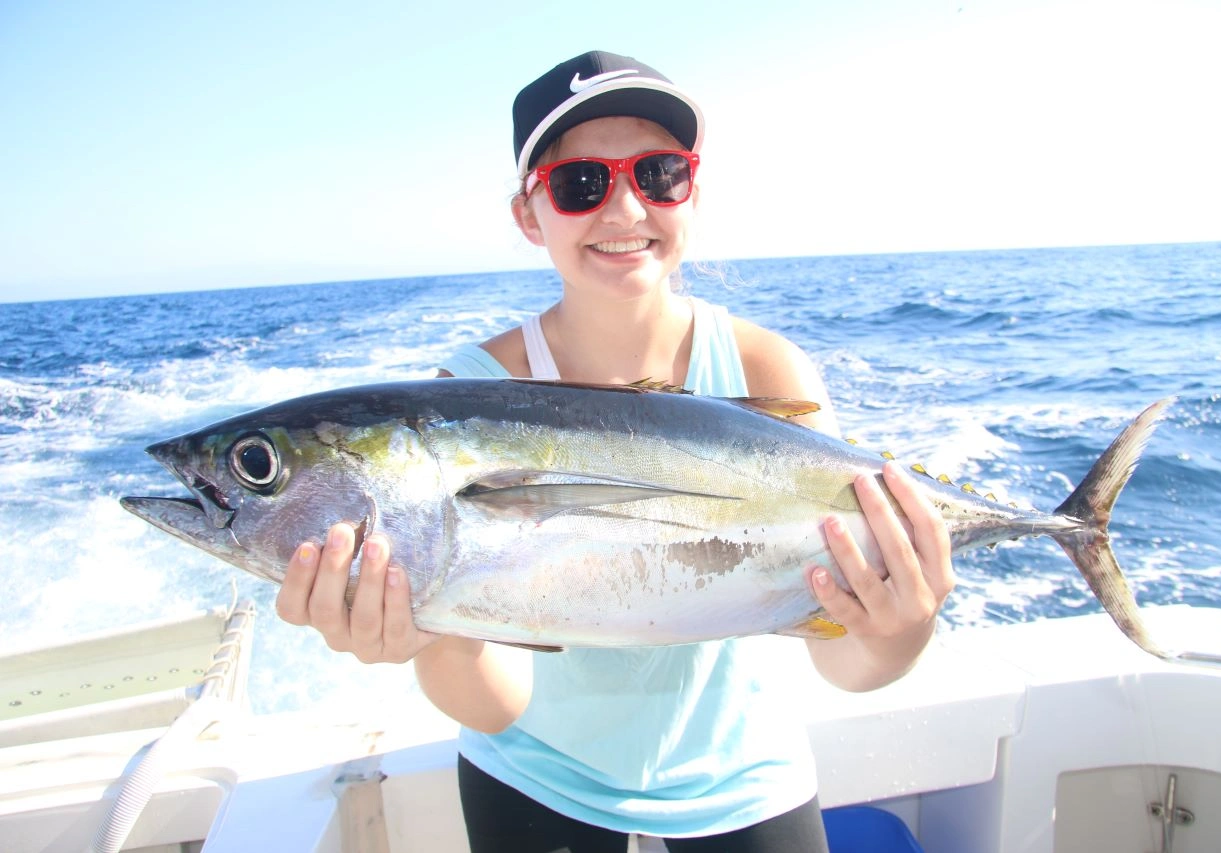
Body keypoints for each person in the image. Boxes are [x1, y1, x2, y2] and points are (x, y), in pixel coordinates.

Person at [275, 50, 956, 852]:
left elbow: (845, 668)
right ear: (531, 214)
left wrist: (901, 624)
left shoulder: (767, 370)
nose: (627, 208)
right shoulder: (469, 391)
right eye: (580, 184)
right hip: (535, 775)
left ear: (691, 191)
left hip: (745, 773)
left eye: (659, 172)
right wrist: (435, 622)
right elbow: (499, 707)